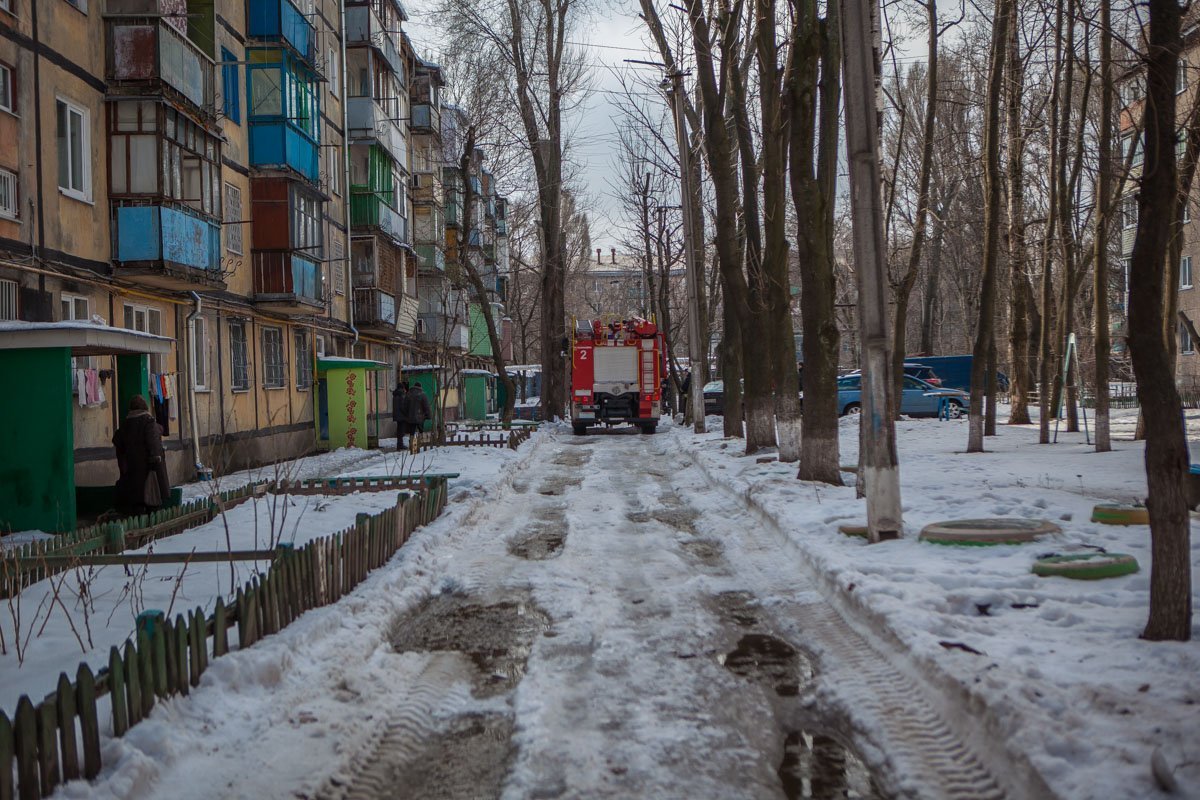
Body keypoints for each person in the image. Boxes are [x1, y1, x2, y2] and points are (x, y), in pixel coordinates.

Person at [113, 394, 170, 515]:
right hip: (149, 471)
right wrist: (156, 462)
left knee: (137, 505)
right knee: (153, 501)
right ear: (145, 408)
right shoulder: (149, 423)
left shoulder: (125, 424)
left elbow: (117, 441)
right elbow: (154, 446)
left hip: (131, 472)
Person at [404, 382, 432, 446]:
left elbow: (404, 406)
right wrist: (428, 416)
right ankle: (421, 443)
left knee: (412, 432)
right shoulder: (422, 394)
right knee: (421, 431)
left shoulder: (408, 394)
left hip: (410, 417)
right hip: (420, 417)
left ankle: (411, 444)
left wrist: (407, 414)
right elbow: (426, 406)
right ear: (420, 387)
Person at [392, 381, 410, 449]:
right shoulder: (402, 394)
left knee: (399, 430)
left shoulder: (395, 394)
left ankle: (399, 445)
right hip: (402, 415)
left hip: (397, 415)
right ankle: (400, 445)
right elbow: (403, 406)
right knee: (401, 431)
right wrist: (406, 414)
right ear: (402, 388)